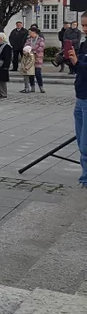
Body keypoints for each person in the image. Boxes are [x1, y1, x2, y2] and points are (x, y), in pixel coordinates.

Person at [66, 13, 87, 188]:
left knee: (86, 143)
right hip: (80, 97)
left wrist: (77, 63)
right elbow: (79, 67)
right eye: (83, 25)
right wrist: (71, 61)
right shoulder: (85, 44)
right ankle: (85, 176)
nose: (84, 29)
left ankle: (86, 179)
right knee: (81, 142)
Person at [27, 26, 46, 93]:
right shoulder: (29, 39)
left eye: (30, 32)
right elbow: (26, 46)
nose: (29, 33)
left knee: (38, 73)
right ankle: (32, 86)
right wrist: (27, 51)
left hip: (38, 58)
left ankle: (41, 87)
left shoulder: (40, 39)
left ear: (34, 32)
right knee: (31, 73)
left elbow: (42, 47)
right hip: (30, 58)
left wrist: (34, 51)